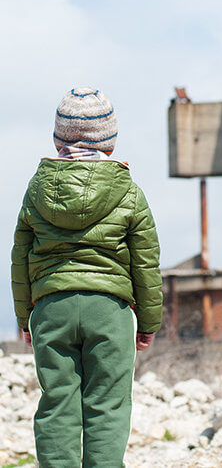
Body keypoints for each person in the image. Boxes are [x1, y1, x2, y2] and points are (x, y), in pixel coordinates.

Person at [11, 87, 163, 467]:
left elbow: (20, 258)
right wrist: (148, 322)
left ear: (58, 139)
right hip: (108, 311)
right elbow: (145, 262)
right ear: (109, 142)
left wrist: (23, 318)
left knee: (57, 403)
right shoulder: (128, 191)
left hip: (51, 308)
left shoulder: (37, 189)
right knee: (108, 405)